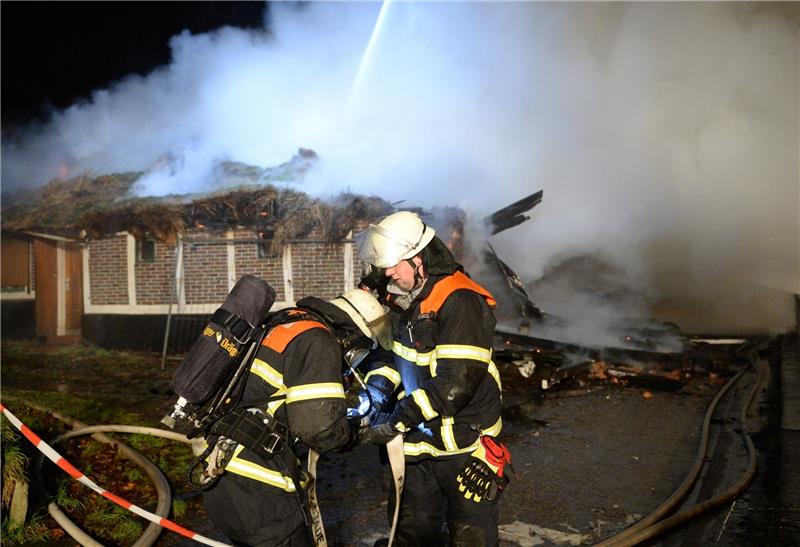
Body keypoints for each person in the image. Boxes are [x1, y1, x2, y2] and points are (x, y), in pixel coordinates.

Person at [358, 211, 511, 546]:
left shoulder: (460, 300)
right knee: (411, 534)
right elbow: (390, 355)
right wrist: (378, 390)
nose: (388, 273)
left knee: (471, 537)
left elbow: (455, 383)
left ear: (418, 259)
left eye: (395, 264)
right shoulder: (401, 298)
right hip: (417, 445)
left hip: (466, 444)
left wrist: (399, 418)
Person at [203, 289, 391, 547]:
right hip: (262, 490)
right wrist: (360, 434)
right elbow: (320, 430)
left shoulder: (286, 324)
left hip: (225, 473)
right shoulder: (319, 342)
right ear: (352, 334)